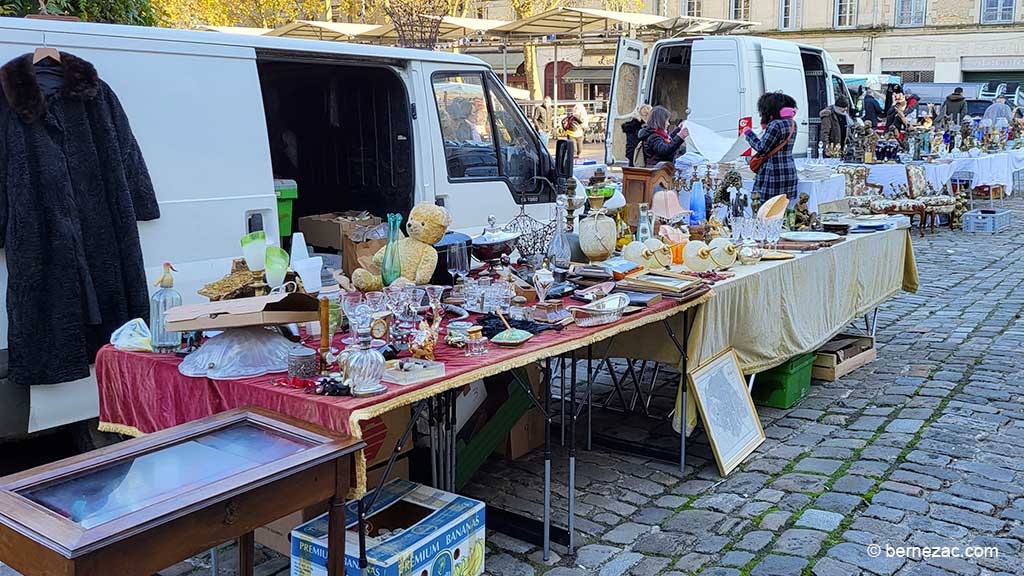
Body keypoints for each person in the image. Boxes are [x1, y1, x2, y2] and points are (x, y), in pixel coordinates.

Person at [744, 92, 798, 200]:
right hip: (789, 171)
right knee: (782, 208)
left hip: (772, 173)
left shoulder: (775, 124)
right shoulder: (792, 123)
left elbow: (762, 148)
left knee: (766, 211)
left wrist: (749, 134)